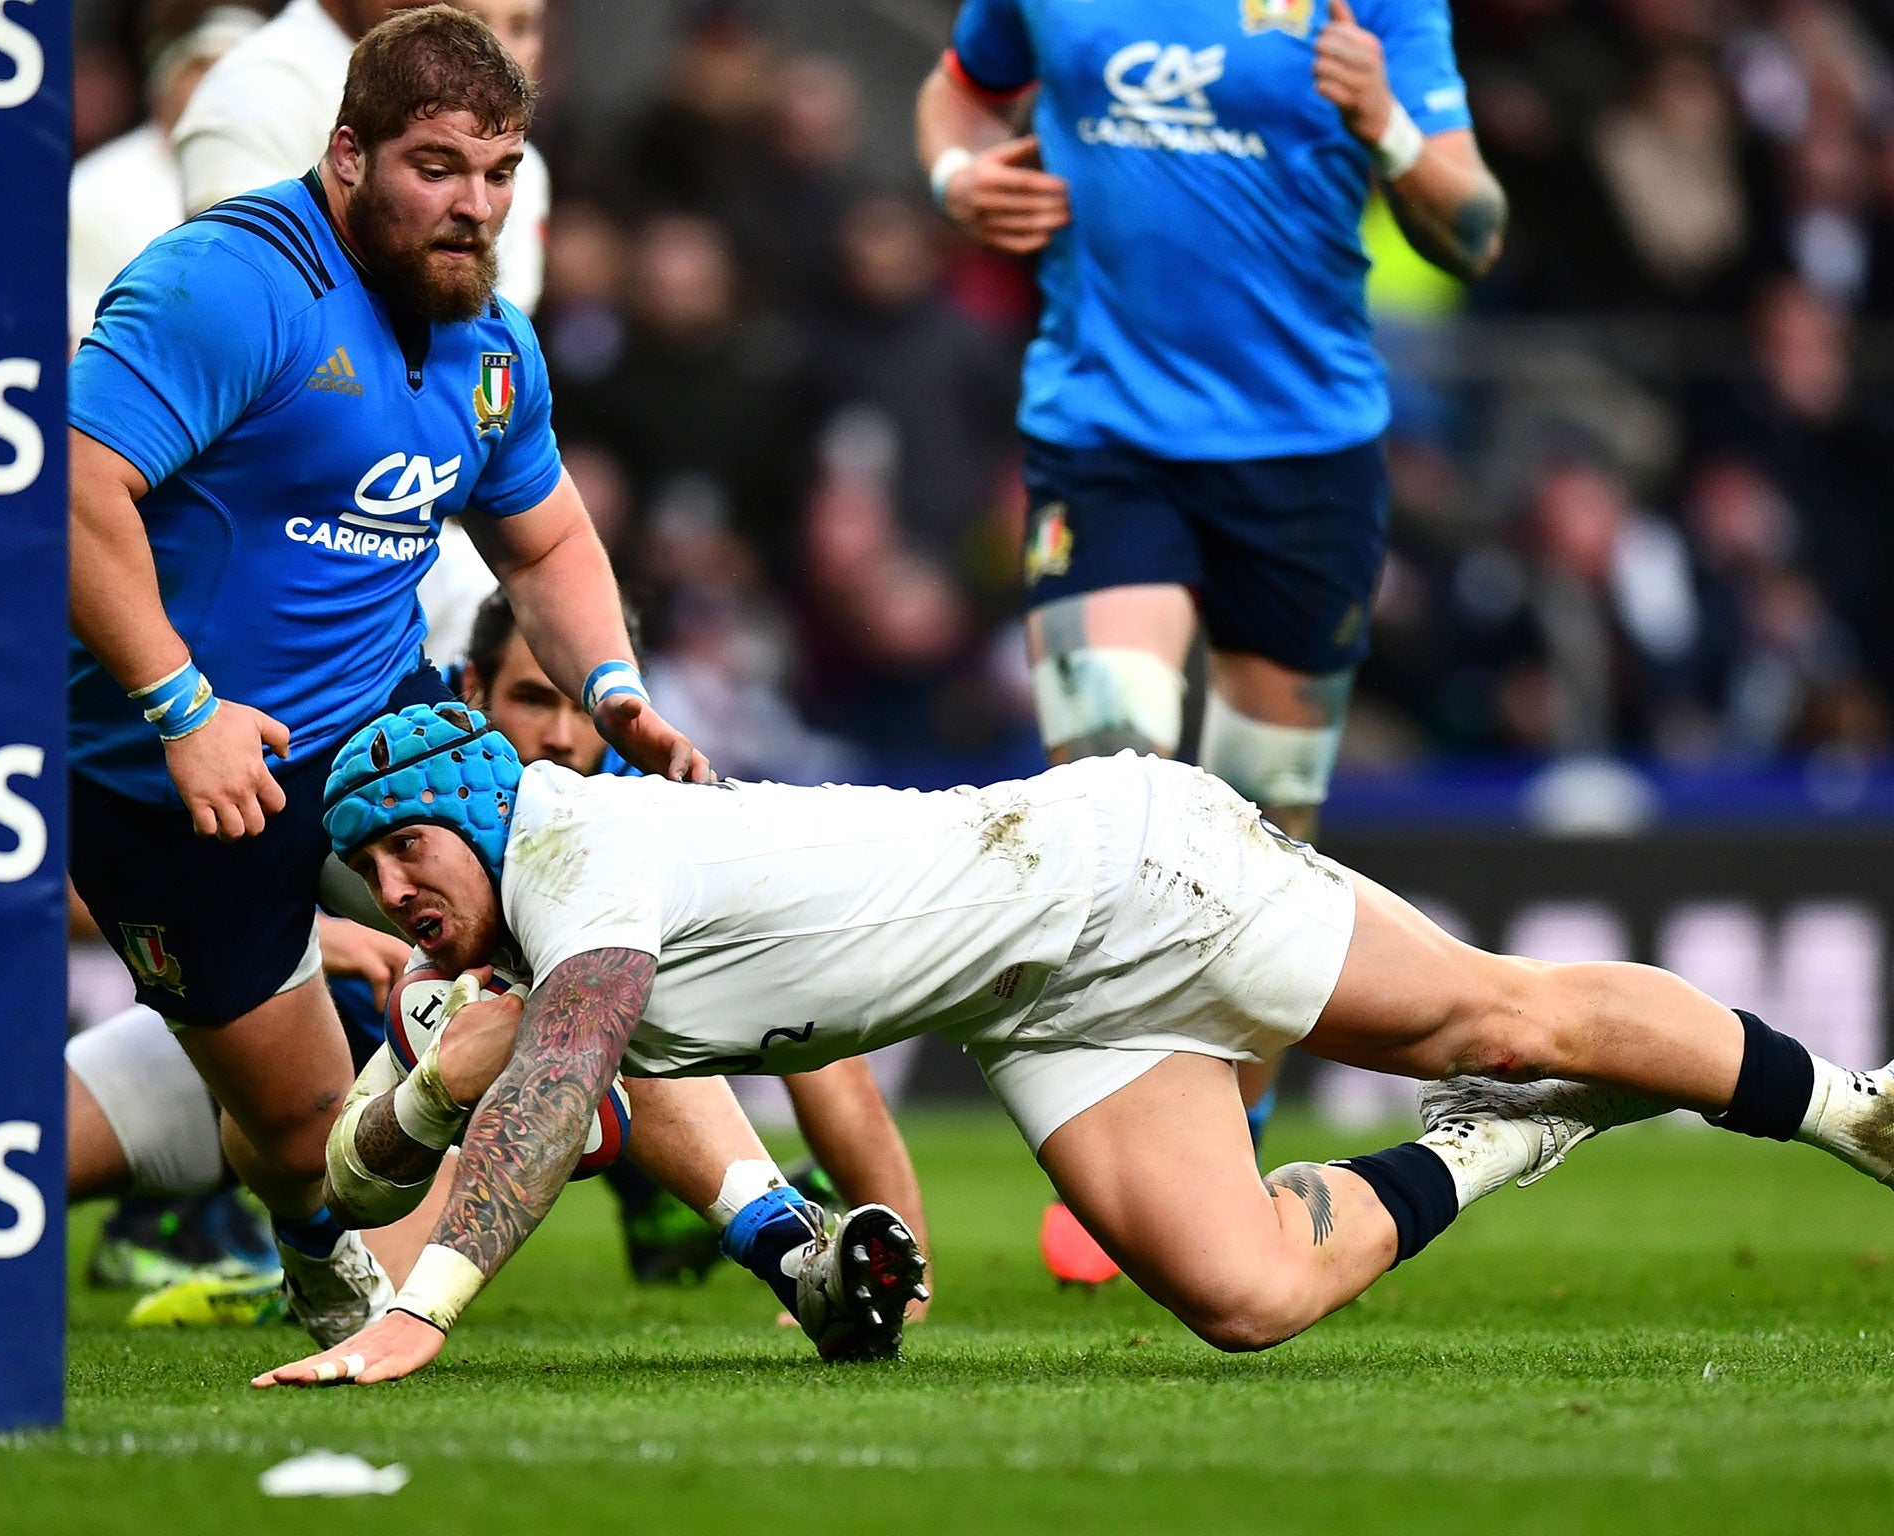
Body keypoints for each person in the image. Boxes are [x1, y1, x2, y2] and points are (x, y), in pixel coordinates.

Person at [260, 705, 1894, 1386]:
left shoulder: (565, 848)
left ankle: (1847, 1109)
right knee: (1243, 1298)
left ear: (472, 812)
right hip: (1028, 998)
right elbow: (406, 1132)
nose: (397, 898)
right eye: (373, 880)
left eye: (407, 856)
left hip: (1124, 876)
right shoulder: (521, 928)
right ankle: (1497, 1140)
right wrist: (406, 1106)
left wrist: (420, 1314)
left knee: (1492, 1007)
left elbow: (553, 1090)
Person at [68, 6, 725, 1347]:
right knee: (306, 1131)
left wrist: (608, 689)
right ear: (349, 154)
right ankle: (321, 1243)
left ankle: (773, 1235)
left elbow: (541, 535)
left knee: (592, 919)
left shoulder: (491, 344)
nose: (474, 205)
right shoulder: (227, 282)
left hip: (380, 724)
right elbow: (71, 486)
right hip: (163, 768)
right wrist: (182, 707)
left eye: (500, 173)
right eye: (438, 167)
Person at [914, 0, 1510, 1259]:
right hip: (1102, 437)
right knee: (1109, 798)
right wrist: (959, 173)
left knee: (1266, 833)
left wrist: (1388, 127)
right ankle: (1123, 1160)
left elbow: (1473, 226)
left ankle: (1223, 1146)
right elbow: (958, 91)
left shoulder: (1377, 10)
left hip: (1305, 458)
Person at [456, 589, 932, 1287]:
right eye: (533, 699)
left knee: (668, 996)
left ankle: (869, 1262)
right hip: (367, 1025)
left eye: (577, 707)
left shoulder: (652, 799)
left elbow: (804, 1010)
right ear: (472, 689)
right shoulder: (408, 774)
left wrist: (910, 1274)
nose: (560, 736)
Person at [172, 0, 549, 311]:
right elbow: (239, 302)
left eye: (520, 26)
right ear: (348, 153)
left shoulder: (518, 160)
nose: (496, 49)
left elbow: (491, 359)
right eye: (435, 170)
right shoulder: (256, 92)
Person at [68, 0, 265, 341]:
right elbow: (82, 327)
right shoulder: (95, 187)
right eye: (200, 69)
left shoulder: (293, 173)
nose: (212, 87)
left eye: (229, 69)